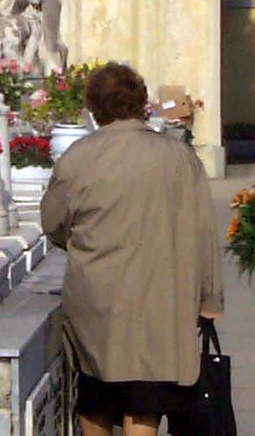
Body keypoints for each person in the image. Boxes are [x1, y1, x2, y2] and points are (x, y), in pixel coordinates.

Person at [41, 62, 224, 436]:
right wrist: (210, 298)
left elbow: (54, 224)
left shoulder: (77, 157)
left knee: (95, 396)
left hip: (97, 298)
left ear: (94, 107)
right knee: (146, 399)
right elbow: (203, 230)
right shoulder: (178, 157)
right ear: (141, 103)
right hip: (161, 295)